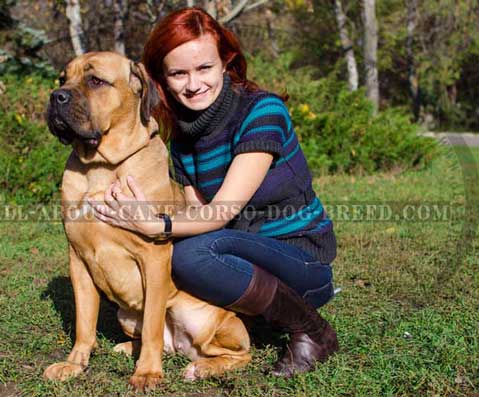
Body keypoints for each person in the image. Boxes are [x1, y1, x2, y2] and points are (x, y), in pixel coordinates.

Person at [90, 7, 338, 378]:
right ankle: (217, 326)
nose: (193, 84)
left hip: (301, 259)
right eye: (179, 73)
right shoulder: (182, 138)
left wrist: (155, 225)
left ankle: (313, 331)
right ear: (162, 78)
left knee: (190, 255)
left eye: (204, 68)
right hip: (238, 255)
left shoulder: (261, 111)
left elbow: (220, 213)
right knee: (185, 252)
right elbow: (197, 214)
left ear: (226, 61)